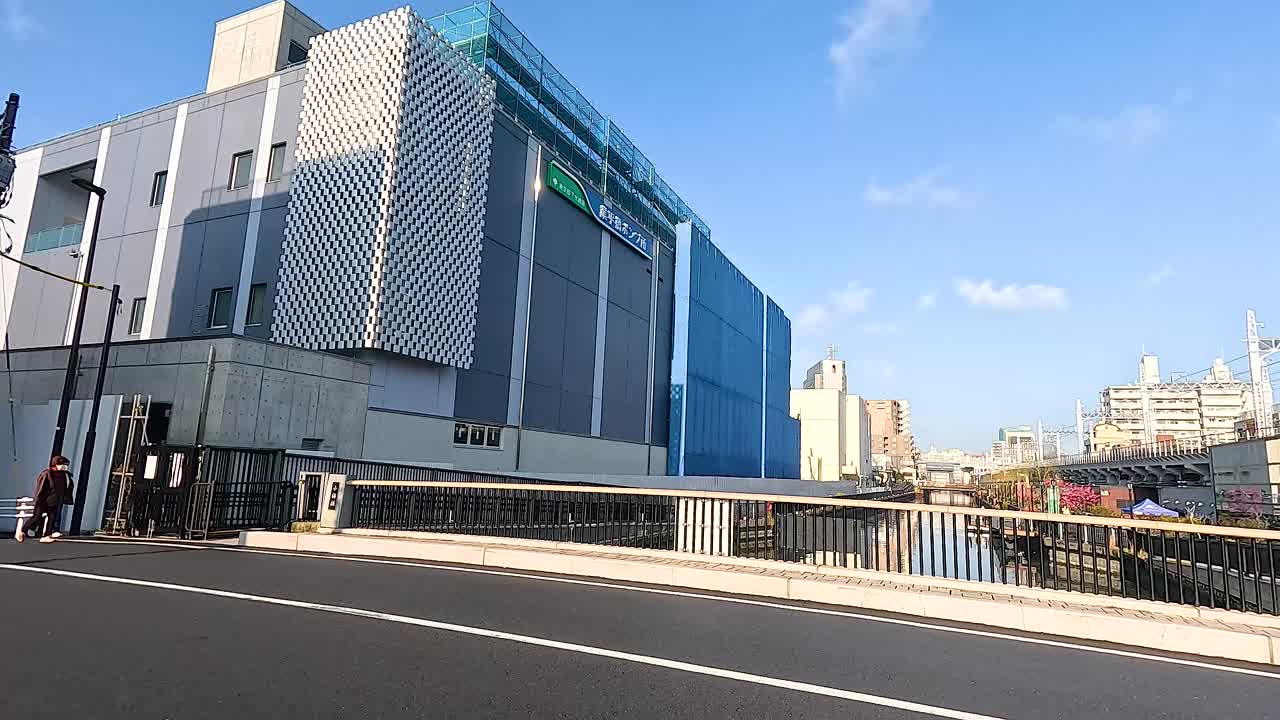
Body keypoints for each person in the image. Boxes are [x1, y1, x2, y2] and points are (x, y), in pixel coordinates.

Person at [17, 455, 73, 544]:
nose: (65, 467)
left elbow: (65, 488)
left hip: (55, 501)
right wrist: (38, 499)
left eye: (66, 465)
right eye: (63, 464)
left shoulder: (64, 475)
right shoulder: (47, 474)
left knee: (52, 518)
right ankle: (22, 531)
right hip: (43, 501)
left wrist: (65, 498)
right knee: (36, 517)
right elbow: (40, 488)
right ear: (55, 464)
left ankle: (46, 536)